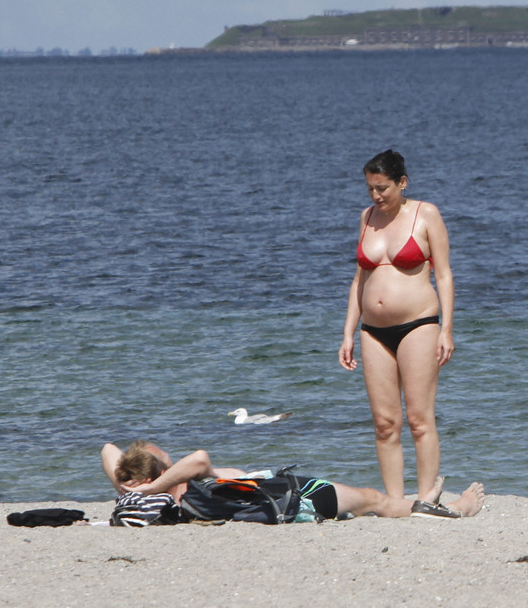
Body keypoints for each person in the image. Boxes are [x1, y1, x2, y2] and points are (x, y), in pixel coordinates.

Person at [339, 150, 454, 504]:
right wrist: (347, 332)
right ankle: (395, 502)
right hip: (373, 331)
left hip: (418, 324)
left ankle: (426, 497)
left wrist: (446, 329)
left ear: (402, 183)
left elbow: (445, 274)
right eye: (371, 188)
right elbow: (360, 278)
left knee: (419, 419)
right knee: (385, 424)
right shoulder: (367, 217)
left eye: (383, 188)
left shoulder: (426, 214)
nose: (376, 196)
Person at [101, 441, 485, 519]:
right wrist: (155, 484)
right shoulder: (182, 489)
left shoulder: (142, 493)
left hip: (277, 489)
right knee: (372, 500)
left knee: (372, 500)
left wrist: (126, 484)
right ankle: (451, 509)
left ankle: (424, 501)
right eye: (165, 458)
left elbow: (107, 449)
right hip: (295, 497)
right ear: (157, 473)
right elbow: (200, 457)